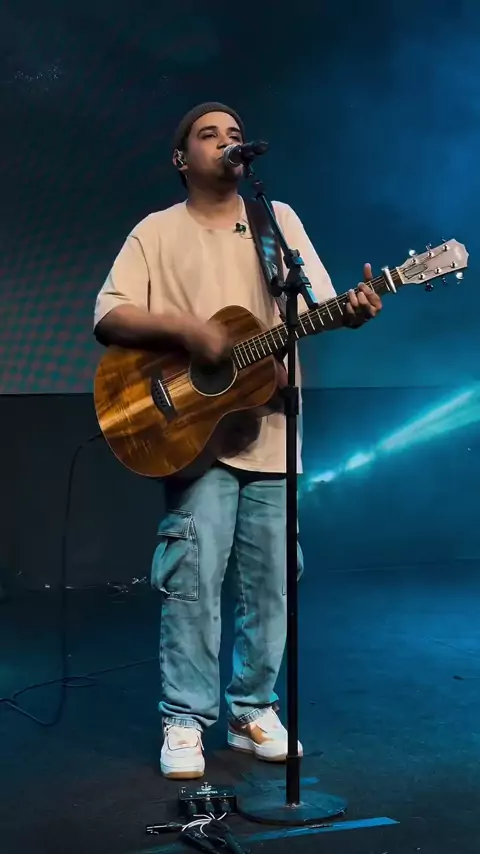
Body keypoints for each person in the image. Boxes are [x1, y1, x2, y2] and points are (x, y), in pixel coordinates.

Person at [93, 102, 382, 780]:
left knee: (272, 582)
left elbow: (316, 306)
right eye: (209, 134)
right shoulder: (156, 232)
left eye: (234, 134)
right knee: (192, 579)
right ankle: (184, 718)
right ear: (181, 158)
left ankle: (253, 710)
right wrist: (191, 333)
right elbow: (109, 313)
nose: (226, 141)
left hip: (273, 429)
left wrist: (355, 310)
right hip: (194, 433)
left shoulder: (276, 222)